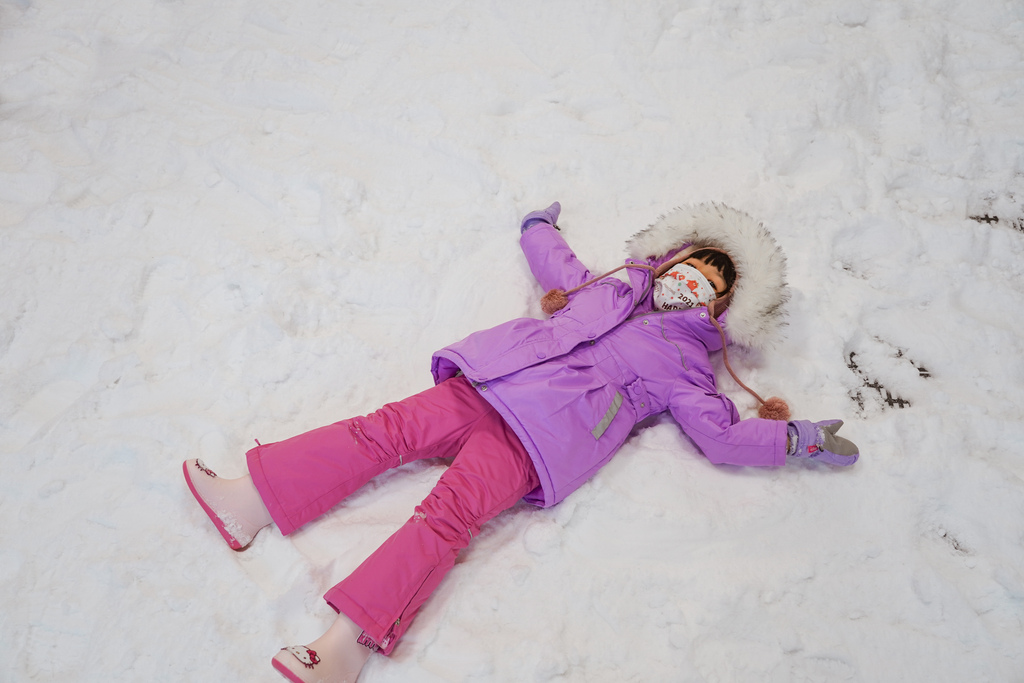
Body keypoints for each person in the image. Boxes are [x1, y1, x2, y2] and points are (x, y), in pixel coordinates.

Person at [182, 202, 859, 683]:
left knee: (445, 517)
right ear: (671, 257)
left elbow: (724, 435)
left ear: (720, 311)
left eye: (709, 286)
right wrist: (539, 226)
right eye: (690, 267)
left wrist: (796, 438)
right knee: (380, 429)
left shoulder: (687, 367)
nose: (691, 284)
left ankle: (346, 644)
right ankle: (252, 497)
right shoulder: (612, 287)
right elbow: (556, 265)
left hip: (535, 441)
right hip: (484, 381)